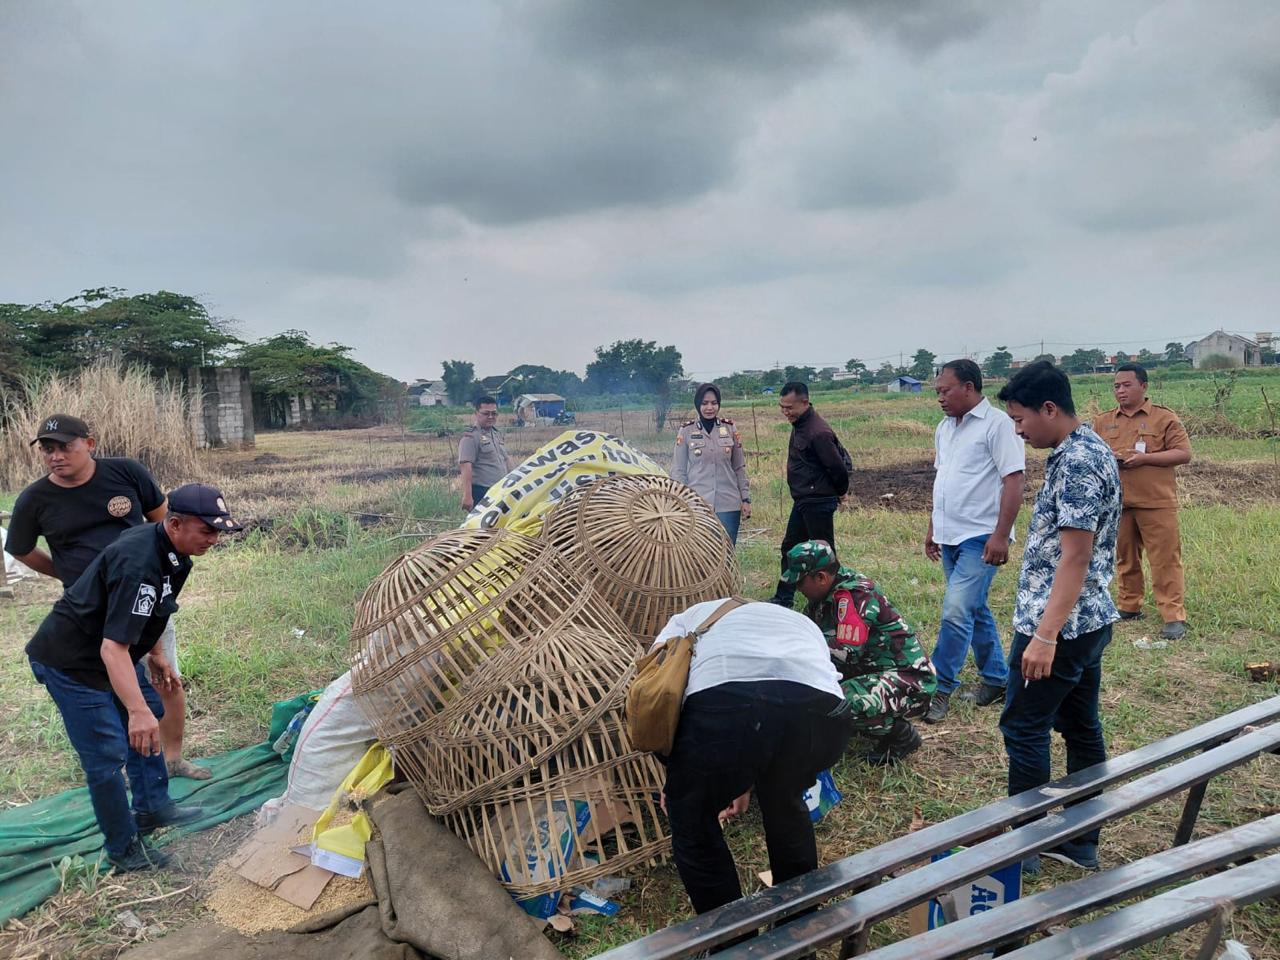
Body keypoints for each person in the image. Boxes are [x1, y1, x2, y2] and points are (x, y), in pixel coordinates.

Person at [25, 483, 243, 871]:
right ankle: (123, 847)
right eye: (207, 530)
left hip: (108, 654)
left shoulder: (175, 556)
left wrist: (156, 654)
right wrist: (136, 710)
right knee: (107, 751)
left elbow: (155, 609)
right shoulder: (138, 561)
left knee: (150, 712)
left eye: (219, 531)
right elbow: (113, 649)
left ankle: (153, 807)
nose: (215, 539)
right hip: (72, 663)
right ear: (174, 523)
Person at [3, 414, 209, 780]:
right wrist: (70, 576)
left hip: (145, 596)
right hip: (89, 612)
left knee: (164, 678)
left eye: (65, 446)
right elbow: (20, 549)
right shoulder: (35, 499)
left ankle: (173, 759)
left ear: (89, 444)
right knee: (116, 686)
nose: (56, 456)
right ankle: (136, 768)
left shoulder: (126, 473)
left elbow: (163, 523)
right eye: (48, 449)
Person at [996, 361, 1121, 872]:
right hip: (1089, 619)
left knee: (1024, 726)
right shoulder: (1089, 446)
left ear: (1050, 409)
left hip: (1060, 626)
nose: (1019, 431)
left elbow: (1076, 556)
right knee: (1080, 725)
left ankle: (1027, 845)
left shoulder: (1075, 463)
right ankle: (1080, 839)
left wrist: (1044, 636)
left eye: (1022, 420)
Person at [655, 599, 854, 917]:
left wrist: (680, 778)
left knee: (691, 817)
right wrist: (741, 782)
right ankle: (799, 925)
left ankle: (732, 940)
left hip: (729, 705)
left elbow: (659, 698)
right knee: (784, 798)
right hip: (824, 715)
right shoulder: (794, 620)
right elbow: (777, 705)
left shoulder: (682, 623)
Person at [923, 360, 1025, 724]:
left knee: (955, 610)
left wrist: (1000, 535)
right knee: (972, 608)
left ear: (968, 387)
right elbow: (943, 480)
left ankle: (940, 687)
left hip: (980, 536)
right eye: (937, 391)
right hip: (950, 534)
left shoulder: (998, 425)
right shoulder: (944, 428)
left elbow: (1014, 481)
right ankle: (997, 679)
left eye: (945, 390)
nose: (940, 397)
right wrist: (933, 526)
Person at [784, 540, 937, 764]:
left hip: (909, 679)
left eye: (800, 583)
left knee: (837, 702)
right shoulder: (822, 597)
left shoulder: (854, 596)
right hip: (870, 669)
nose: (798, 589)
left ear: (821, 577)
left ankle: (901, 735)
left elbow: (845, 653)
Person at [1092, 364, 1192, 640]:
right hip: (1118, 502)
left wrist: (1145, 459)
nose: (1120, 391)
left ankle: (1173, 616)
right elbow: (1093, 456)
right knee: (1125, 557)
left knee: (1165, 559)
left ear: (1144, 386)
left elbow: (1183, 453)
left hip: (1156, 501)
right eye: (1116, 386)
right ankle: (1129, 605)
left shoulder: (1163, 418)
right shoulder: (1103, 421)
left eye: (1126, 385)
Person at [768, 382, 850, 607]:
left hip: (818, 502)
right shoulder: (800, 424)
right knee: (790, 549)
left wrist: (841, 493)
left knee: (824, 556)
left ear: (804, 402)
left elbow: (837, 468)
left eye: (790, 407)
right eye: (782, 407)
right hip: (804, 501)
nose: (786, 412)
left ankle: (837, 602)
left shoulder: (818, 431)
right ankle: (784, 598)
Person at [670, 382, 751, 543]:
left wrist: (746, 499)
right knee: (700, 555)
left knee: (727, 553)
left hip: (728, 504)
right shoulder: (686, 430)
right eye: (705, 403)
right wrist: (679, 502)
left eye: (714, 403)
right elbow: (679, 471)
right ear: (697, 404)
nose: (709, 408)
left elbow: (739, 467)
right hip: (697, 505)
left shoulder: (729, 428)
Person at [457, 395, 511, 511]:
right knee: (483, 528)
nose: (491, 417)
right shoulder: (471, 437)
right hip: (482, 493)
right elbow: (465, 466)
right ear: (476, 413)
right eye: (486, 413)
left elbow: (506, 459)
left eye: (494, 413)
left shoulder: (496, 434)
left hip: (500, 491)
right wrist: (467, 495)